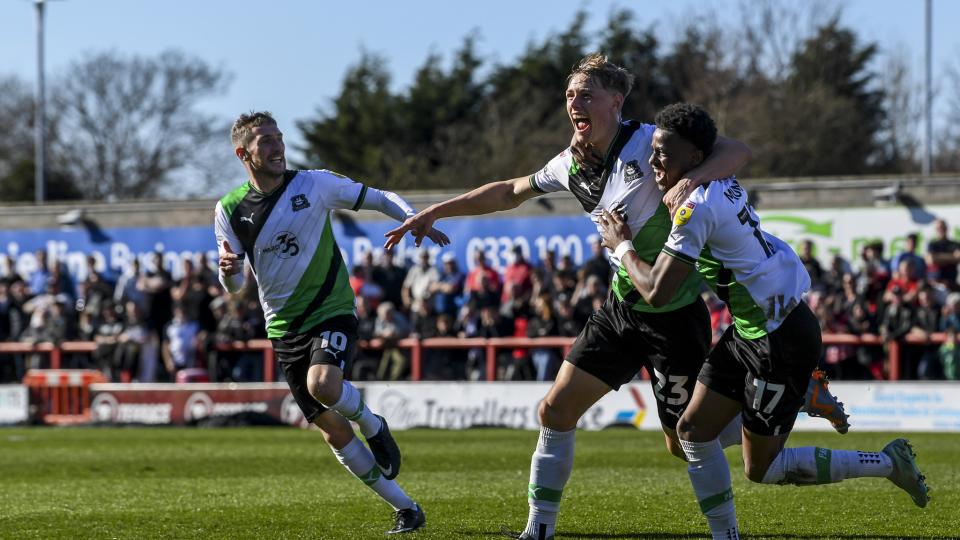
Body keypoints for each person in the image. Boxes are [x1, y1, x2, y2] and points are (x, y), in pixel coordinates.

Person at [386, 54, 847, 540]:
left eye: (586, 95)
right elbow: (509, 191)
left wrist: (693, 178)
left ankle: (788, 404)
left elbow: (736, 150)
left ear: (616, 101)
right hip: (621, 311)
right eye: (570, 95)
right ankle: (538, 530)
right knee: (555, 410)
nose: (575, 103)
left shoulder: (651, 143)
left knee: (683, 442)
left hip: (674, 320)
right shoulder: (569, 164)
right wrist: (436, 211)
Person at [598, 102, 929, 539]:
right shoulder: (715, 178)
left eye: (663, 153)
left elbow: (656, 291)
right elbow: (733, 151)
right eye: (653, 151)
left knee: (762, 469)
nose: (653, 161)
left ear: (694, 157)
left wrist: (621, 246)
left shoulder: (695, 208)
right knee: (690, 432)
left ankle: (888, 462)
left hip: (780, 340)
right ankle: (729, 529)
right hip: (751, 329)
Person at [213, 111, 443, 534]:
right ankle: (406, 508)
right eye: (265, 141)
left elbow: (378, 196)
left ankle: (373, 425)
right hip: (283, 327)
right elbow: (235, 286)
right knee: (332, 430)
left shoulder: (313, 184)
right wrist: (227, 272)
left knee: (323, 384)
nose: (277, 146)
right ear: (244, 154)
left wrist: (411, 216)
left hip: (329, 308)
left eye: (279, 137)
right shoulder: (228, 208)